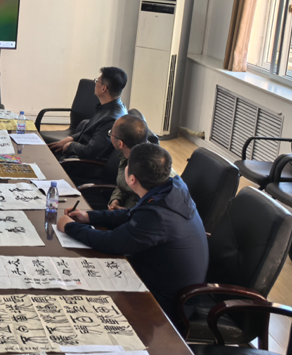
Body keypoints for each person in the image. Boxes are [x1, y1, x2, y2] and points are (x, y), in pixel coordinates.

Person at [57, 143, 208, 322]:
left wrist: (70, 227)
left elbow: (112, 243)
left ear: (131, 179)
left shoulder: (157, 216)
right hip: (160, 279)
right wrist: (89, 217)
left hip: (165, 303)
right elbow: (132, 214)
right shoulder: (172, 188)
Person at [48, 67, 128, 160]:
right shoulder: (113, 106)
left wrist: (70, 145)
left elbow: (90, 152)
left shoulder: (110, 119)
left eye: (97, 81)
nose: (95, 83)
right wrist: (71, 138)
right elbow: (91, 131)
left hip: (84, 163)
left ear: (103, 88)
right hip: (80, 152)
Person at [107, 114, 152, 210]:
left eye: (111, 133)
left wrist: (123, 212)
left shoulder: (148, 172)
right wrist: (116, 199)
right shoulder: (128, 153)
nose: (110, 134)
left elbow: (149, 211)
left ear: (120, 143)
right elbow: (123, 185)